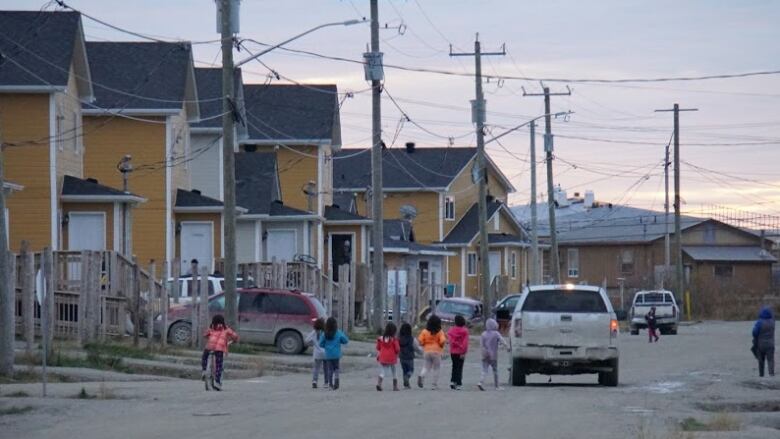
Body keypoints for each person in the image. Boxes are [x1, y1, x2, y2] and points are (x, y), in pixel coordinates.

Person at [202, 314, 239, 391]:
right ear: (223, 321)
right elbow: (235, 336)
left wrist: (209, 336)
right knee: (219, 366)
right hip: (219, 349)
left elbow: (205, 335)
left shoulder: (211, 328)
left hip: (209, 347)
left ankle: (204, 370)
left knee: (204, 357)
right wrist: (234, 340)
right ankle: (217, 382)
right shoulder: (226, 329)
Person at [478, 318, 509, 391]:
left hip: (484, 354)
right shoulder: (496, 333)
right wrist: (507, 347)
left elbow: (481, 345)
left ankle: (480, 382)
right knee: (495, 370)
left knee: (484, 370)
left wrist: (483, 352)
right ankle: (497, 386)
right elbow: (502, 341)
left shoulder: (483, 334)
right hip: (493, 355)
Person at [417, 314, 446, 390]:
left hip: (427, 351)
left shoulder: (424, 331)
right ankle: (434, 385)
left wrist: (424, 344)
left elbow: (420, 341)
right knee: (436, 368)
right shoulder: (440, 332)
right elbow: (442, 341)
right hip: (436, 352)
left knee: (426, 367)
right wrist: (441, 346)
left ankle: (422, 375)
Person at [319, 317, 349, 390]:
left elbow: (320, 344)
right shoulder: (338, 332)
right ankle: (336, 382)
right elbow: (345, 340)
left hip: (328, 354)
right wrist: (340, 342)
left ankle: (330, 385)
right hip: (336, 354)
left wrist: (326, 346)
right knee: (336, 368)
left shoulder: (324, 333)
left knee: (330, 369)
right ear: (335, 324)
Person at [376, 322, 401, 391]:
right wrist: (397, 353)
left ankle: (379, 384)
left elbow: (378, 347)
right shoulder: (394, 339)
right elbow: (397, 349)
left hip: (382, 357)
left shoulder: (381, 339)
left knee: (383, 371)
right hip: (392, 358)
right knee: (394, 372)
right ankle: (395, 387)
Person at [447, 314, 469, 390]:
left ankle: (453, 381)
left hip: (453, 351)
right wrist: (464, 351)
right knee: (459, 367)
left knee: (454, 366)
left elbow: (450, 340)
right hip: (460, 351)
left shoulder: (451, 330)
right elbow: (465, 343)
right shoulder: (465, 331)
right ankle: (458, 383)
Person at [752, 306, 775, 377]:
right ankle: (771, 373)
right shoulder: (772, 322)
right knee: (770, 360)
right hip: (771, 344)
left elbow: (754, 332)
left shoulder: (759, 322)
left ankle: (761, 374)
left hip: (761, 345)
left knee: (761, 361)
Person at [398, 322, 421, 389]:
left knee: (404, 370)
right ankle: (407, 377)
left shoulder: (399, 339)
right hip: (410, 357)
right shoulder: (412, 339)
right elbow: (416, 348)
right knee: (411, 370)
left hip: (402, 357)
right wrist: (421, 352)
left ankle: (406, 385)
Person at [305, 317, 326, 388]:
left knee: (316, 368)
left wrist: (313, 343)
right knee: (326, 368)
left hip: (317, 353)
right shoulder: (325, 332)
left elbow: (307, 340)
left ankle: (314, 381)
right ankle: (326, 382)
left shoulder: (314, 332)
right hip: (326, 352)